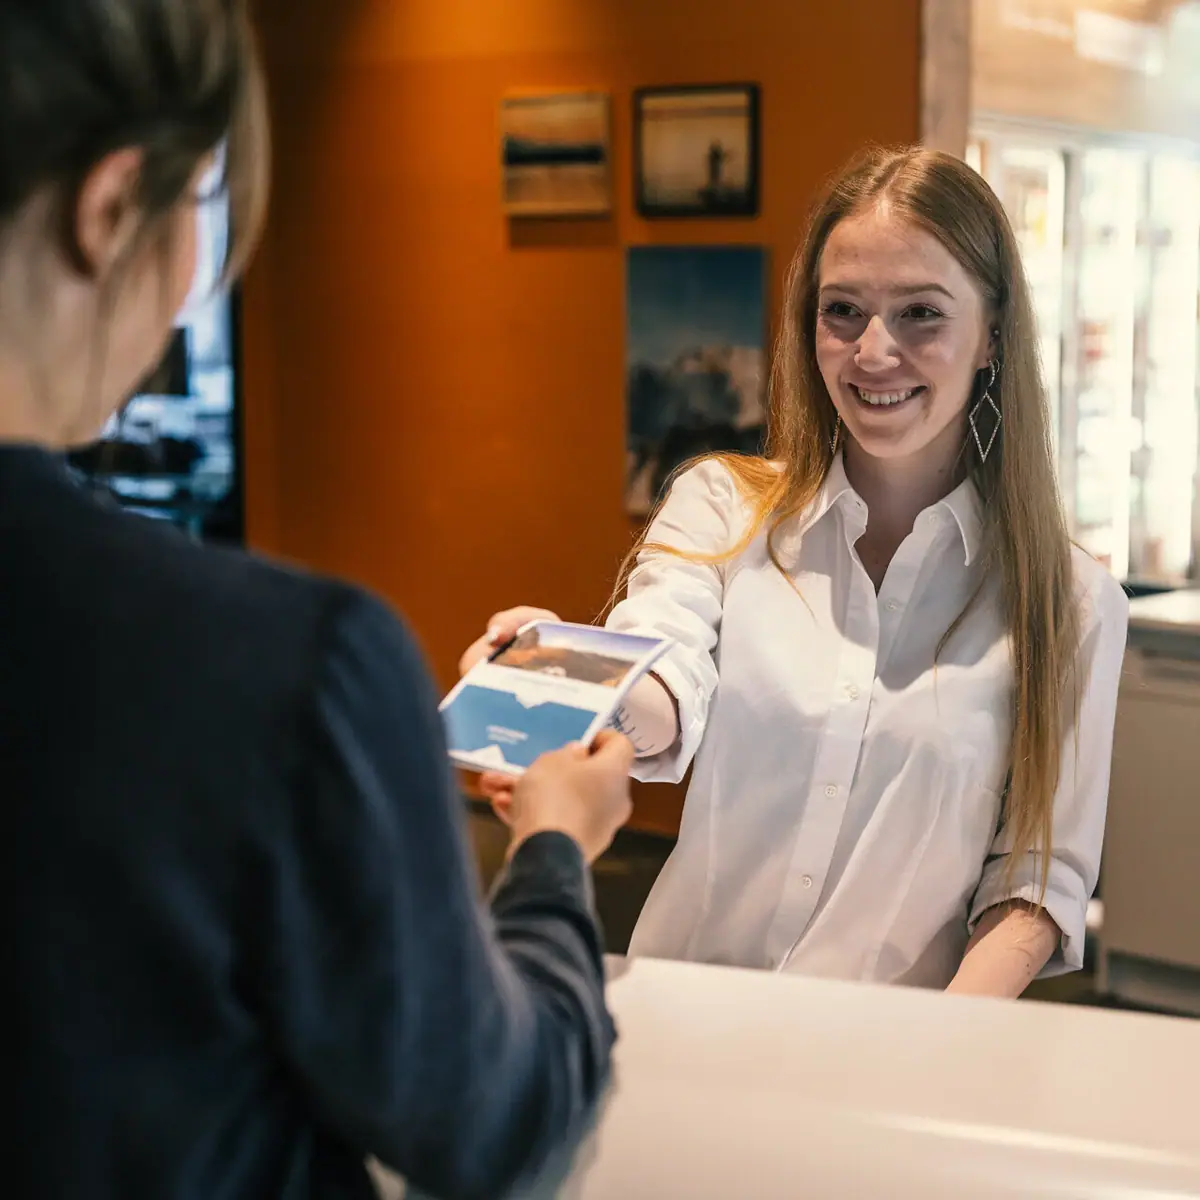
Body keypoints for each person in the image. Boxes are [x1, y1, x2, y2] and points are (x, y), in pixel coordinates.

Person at [1, 2, 634, 1197]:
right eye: (200, 205)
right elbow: (497, 1124)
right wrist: (555, 847)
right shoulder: (285, 668)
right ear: (111, 208)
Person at [461, 145, 1130, 999]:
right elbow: (664, 677)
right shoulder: (721, 508)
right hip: (680, 1012)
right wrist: (565, 684)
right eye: (843, 310)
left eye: (921, 314)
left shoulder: (1070, 602)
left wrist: (939, 1047)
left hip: (895, 1050)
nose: (873, 352)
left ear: (992, 335)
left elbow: (1036, 881)